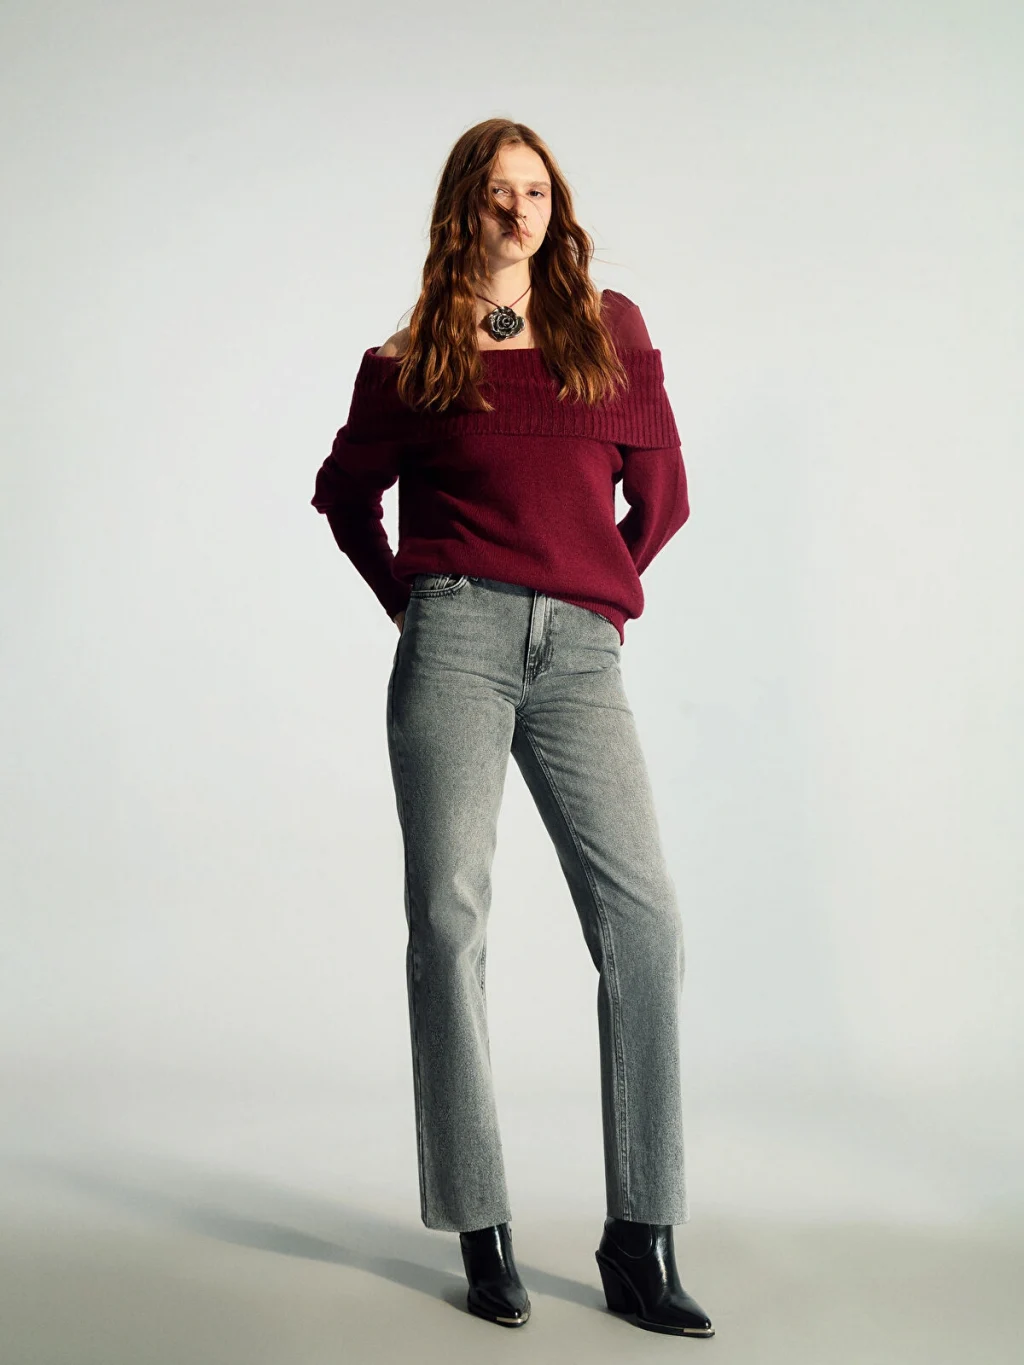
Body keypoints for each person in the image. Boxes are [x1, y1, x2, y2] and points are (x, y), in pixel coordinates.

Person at [310, 118, 714, 1339]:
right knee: (449, 920)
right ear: (461, 209)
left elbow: (664, 501)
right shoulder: (409, 358)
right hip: (455, 642)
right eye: (496, 192)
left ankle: (641, 1233)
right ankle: (479, 1222)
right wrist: (418, 601)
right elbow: (343, 496)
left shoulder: (609, 330)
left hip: (579, 654)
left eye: (535, 190)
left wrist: (590, 591)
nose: (518, 210)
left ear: (556, 207)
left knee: (643, 925)